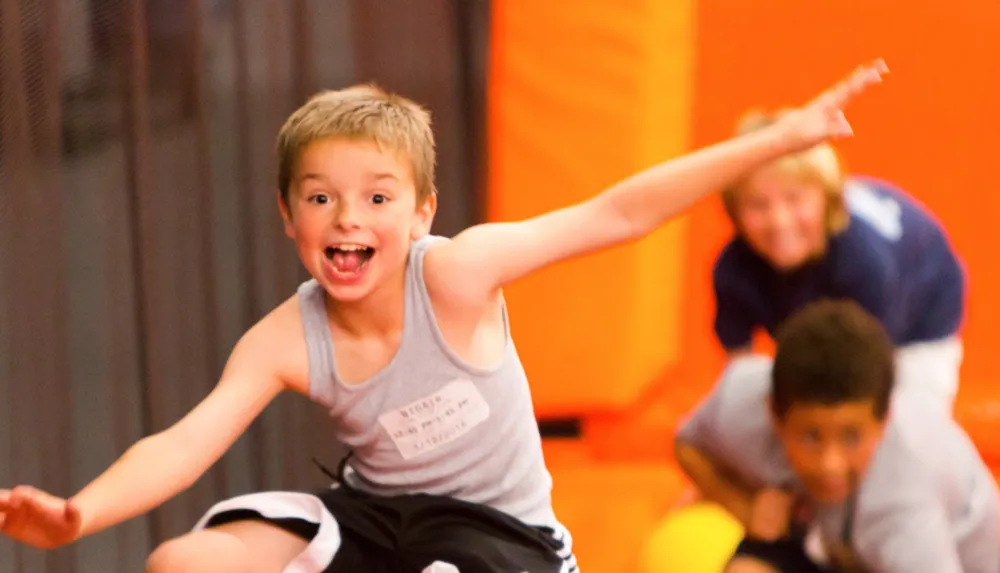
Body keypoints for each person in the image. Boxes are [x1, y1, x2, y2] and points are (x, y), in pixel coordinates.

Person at [0, 61, 888, 572]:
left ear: (423, 212)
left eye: (377, 196)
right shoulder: (286, 337)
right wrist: (79, 512)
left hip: (504, 539)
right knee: (179, 565)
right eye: (321, 197)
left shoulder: (457, 276)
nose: (349, 218)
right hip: (380, 520)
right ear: (288, 217)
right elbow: (183, 445)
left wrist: (780, 138)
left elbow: (618, 212)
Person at [675, 299, 999, 573]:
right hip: (819, 537)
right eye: (810, 437)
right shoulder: (741, 401)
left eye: (851, 438)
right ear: (774, 414)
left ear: (883, 421)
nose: (830, 465)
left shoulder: (906, 505)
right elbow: (687, 445)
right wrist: (741, 505)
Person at [712, 111, 966, 408]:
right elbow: (739, 372)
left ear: (827, 199)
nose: (778, 221)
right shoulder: (735, 270)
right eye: (757, 204)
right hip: (827, 317)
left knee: (909, 412)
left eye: (794, 199)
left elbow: (863, 375)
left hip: (918, 316)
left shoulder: (863, 264)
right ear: (734, 211)